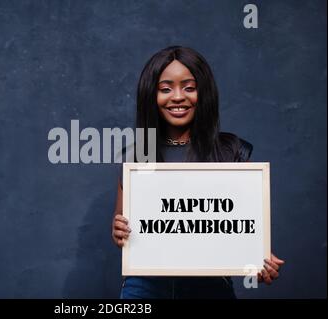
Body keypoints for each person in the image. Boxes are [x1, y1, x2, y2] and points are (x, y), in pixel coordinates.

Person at [112, 46, 285, 299]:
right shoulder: (137, 155)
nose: (178, 96)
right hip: (145, 286)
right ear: (151, 95)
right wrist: (118, 230)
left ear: (203, 94)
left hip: (210, 287)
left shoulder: (230, 150)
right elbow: (121, 221)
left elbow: (244, 226)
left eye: (189, 88)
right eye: (166, 88)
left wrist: (258, 255)